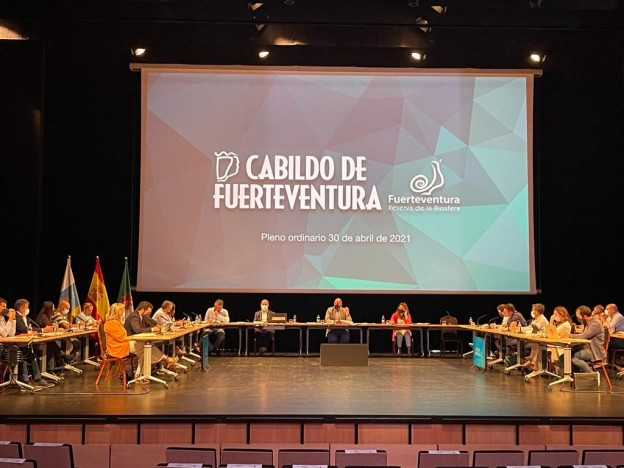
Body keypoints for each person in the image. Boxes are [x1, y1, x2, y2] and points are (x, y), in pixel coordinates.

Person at [124, 301, 178, 371]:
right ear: (142, 309)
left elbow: (149, 321)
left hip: (137, 341)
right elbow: (138, 330)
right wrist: (152, 329)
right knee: (148, 346)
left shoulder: (141, 316)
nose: (148, 314)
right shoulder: (134, 316)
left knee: (149, 345)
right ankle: (166, 360)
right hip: (130, 343)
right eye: (148, 312)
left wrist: (156, 326)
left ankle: (161, 363)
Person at [12, 298, 55, 388]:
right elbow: (23, 329)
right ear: (21, 308)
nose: (28, 309)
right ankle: (25, 380)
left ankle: (37, 378)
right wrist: (42, 330)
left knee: (32, 355)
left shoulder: (25, 317)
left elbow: (31, 328)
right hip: (15, 345)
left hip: (24, 343)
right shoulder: (15, 316)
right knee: (26, 354)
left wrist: (42, 330)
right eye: (27, 307)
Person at [558, 305, 605, 374]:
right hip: (586, 348)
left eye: (579, 317)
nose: (578, 319)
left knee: (574, 358)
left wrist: (569, 335)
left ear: (585, 316)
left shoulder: (595, 323)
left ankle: (591, 375)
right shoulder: (588, 323)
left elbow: (584, 336)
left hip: (594, 351)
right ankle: (574, 375)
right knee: (562, 357)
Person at [104, 303, 135, 379]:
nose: (124, 313)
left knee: (144, 346)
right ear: (118, 312)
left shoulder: (115, 322)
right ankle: (141, 373)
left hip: (121, 345)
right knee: (142, 346)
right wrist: (133, 338)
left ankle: (140, 372)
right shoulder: (112, 323)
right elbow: (120, 339)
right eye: (123, 311)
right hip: (117, 348)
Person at [522, 303, 549, 370]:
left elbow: (533, 329)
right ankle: (531, 361)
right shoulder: (536, 319)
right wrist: (520, 329)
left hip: (544, 341)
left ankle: (533, 363)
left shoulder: (542, 319)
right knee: (534, 343)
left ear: (536, 312)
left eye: (533, 310)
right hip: (537, 340)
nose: (532, 311)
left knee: (535, 344)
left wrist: (522, 330)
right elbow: (529, 327)